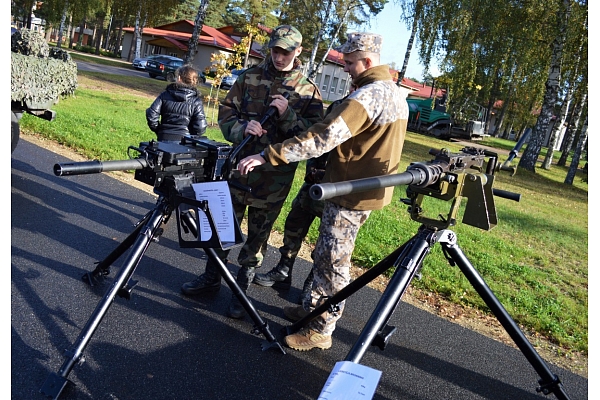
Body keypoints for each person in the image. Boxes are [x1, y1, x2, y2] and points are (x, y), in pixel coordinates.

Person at [237, 32, 410, 351]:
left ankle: (320, 329)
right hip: (362, 189)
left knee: (333, 261)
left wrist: (267, 155)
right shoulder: (396, 94)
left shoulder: (367, 97)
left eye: (349, 62)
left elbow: (322, 138)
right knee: (327, 255)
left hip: (349, 194)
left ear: (368, 61)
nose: (345, 68)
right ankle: (312, 308)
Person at [180, 25, 324, 320]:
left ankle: (240, 289)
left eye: (286, 51)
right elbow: (226, 113)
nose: (279, 56)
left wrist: (288, 115)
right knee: (221, 227)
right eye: (275, 50)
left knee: (257, 236)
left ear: (298, 52)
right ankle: (211, 277)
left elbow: (313, 139)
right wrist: (241, 128)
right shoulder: (249, 77)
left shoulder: (308, 90)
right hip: (237, 168)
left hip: (274, 178)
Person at [252, 83, 358, 305]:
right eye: (352, 83)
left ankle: (312, 280)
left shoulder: (360, 109)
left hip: (337, 185)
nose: (352, 84)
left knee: (325, 238)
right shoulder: (339, 105)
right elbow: (316, 136)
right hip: (314, 180)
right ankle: (284, 269)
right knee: (294, 223)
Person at [146, 64, 208, 142]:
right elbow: (200, 127)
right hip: (185, 143)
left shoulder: (164, 95)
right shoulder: (196, 102)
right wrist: (190, 136)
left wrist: (159, 130)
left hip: (163, 139)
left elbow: (151, 115)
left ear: (179, 78)